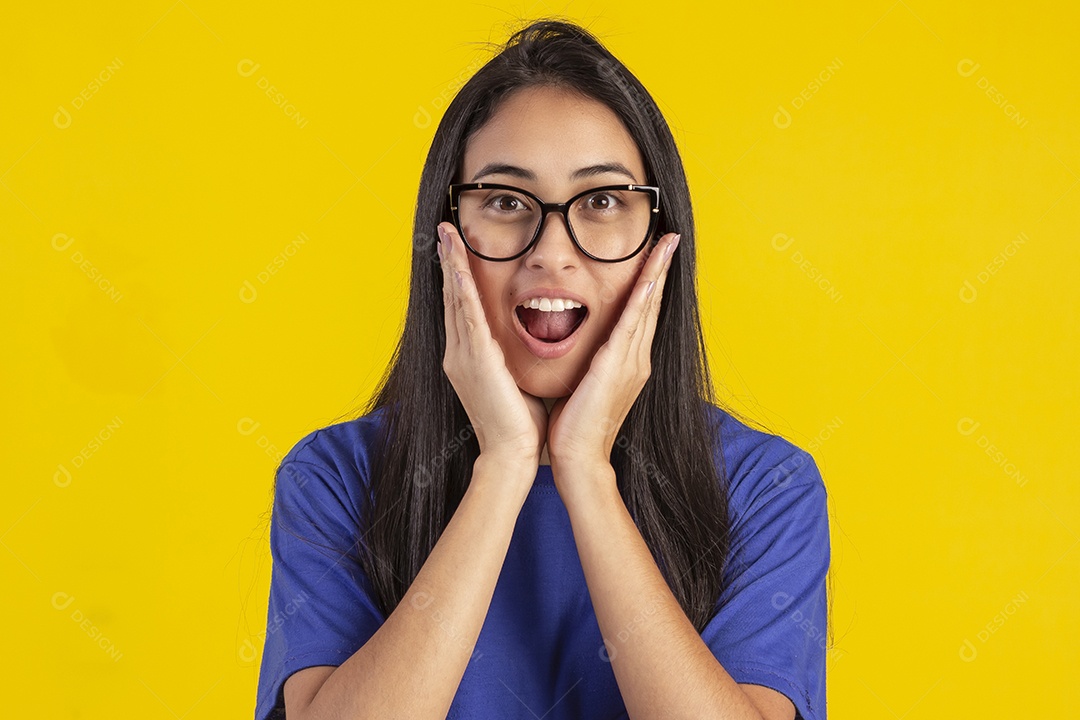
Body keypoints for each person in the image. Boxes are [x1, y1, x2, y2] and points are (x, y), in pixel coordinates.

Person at [255, 18, 831, 720]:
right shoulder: (334, 476)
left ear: (662, 241)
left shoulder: (764, 486)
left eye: (602, 202)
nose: (551, 252)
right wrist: (503, 465)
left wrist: (586, 469)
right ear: (444, 238)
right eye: (503, 202)